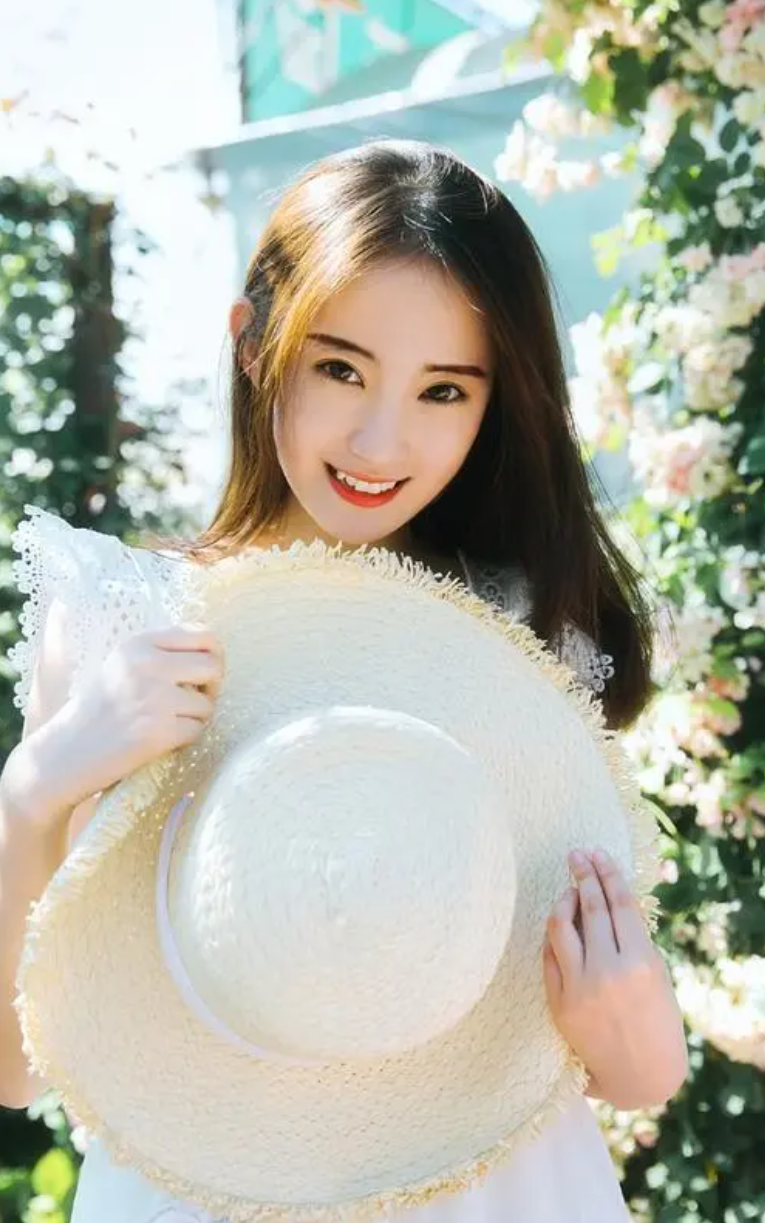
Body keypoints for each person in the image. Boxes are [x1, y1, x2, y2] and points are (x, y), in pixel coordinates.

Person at [0, 139, 687, 1223]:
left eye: (443, 390)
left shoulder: (511, 632)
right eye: (341, 368)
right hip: (201, 1189)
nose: (380, 439)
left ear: (495, 403)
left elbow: (628, 1061)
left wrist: (638, 1030)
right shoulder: (122, 614)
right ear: (253, 342)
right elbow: (15, 1068)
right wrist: (35, 789)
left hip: (497, 1190)